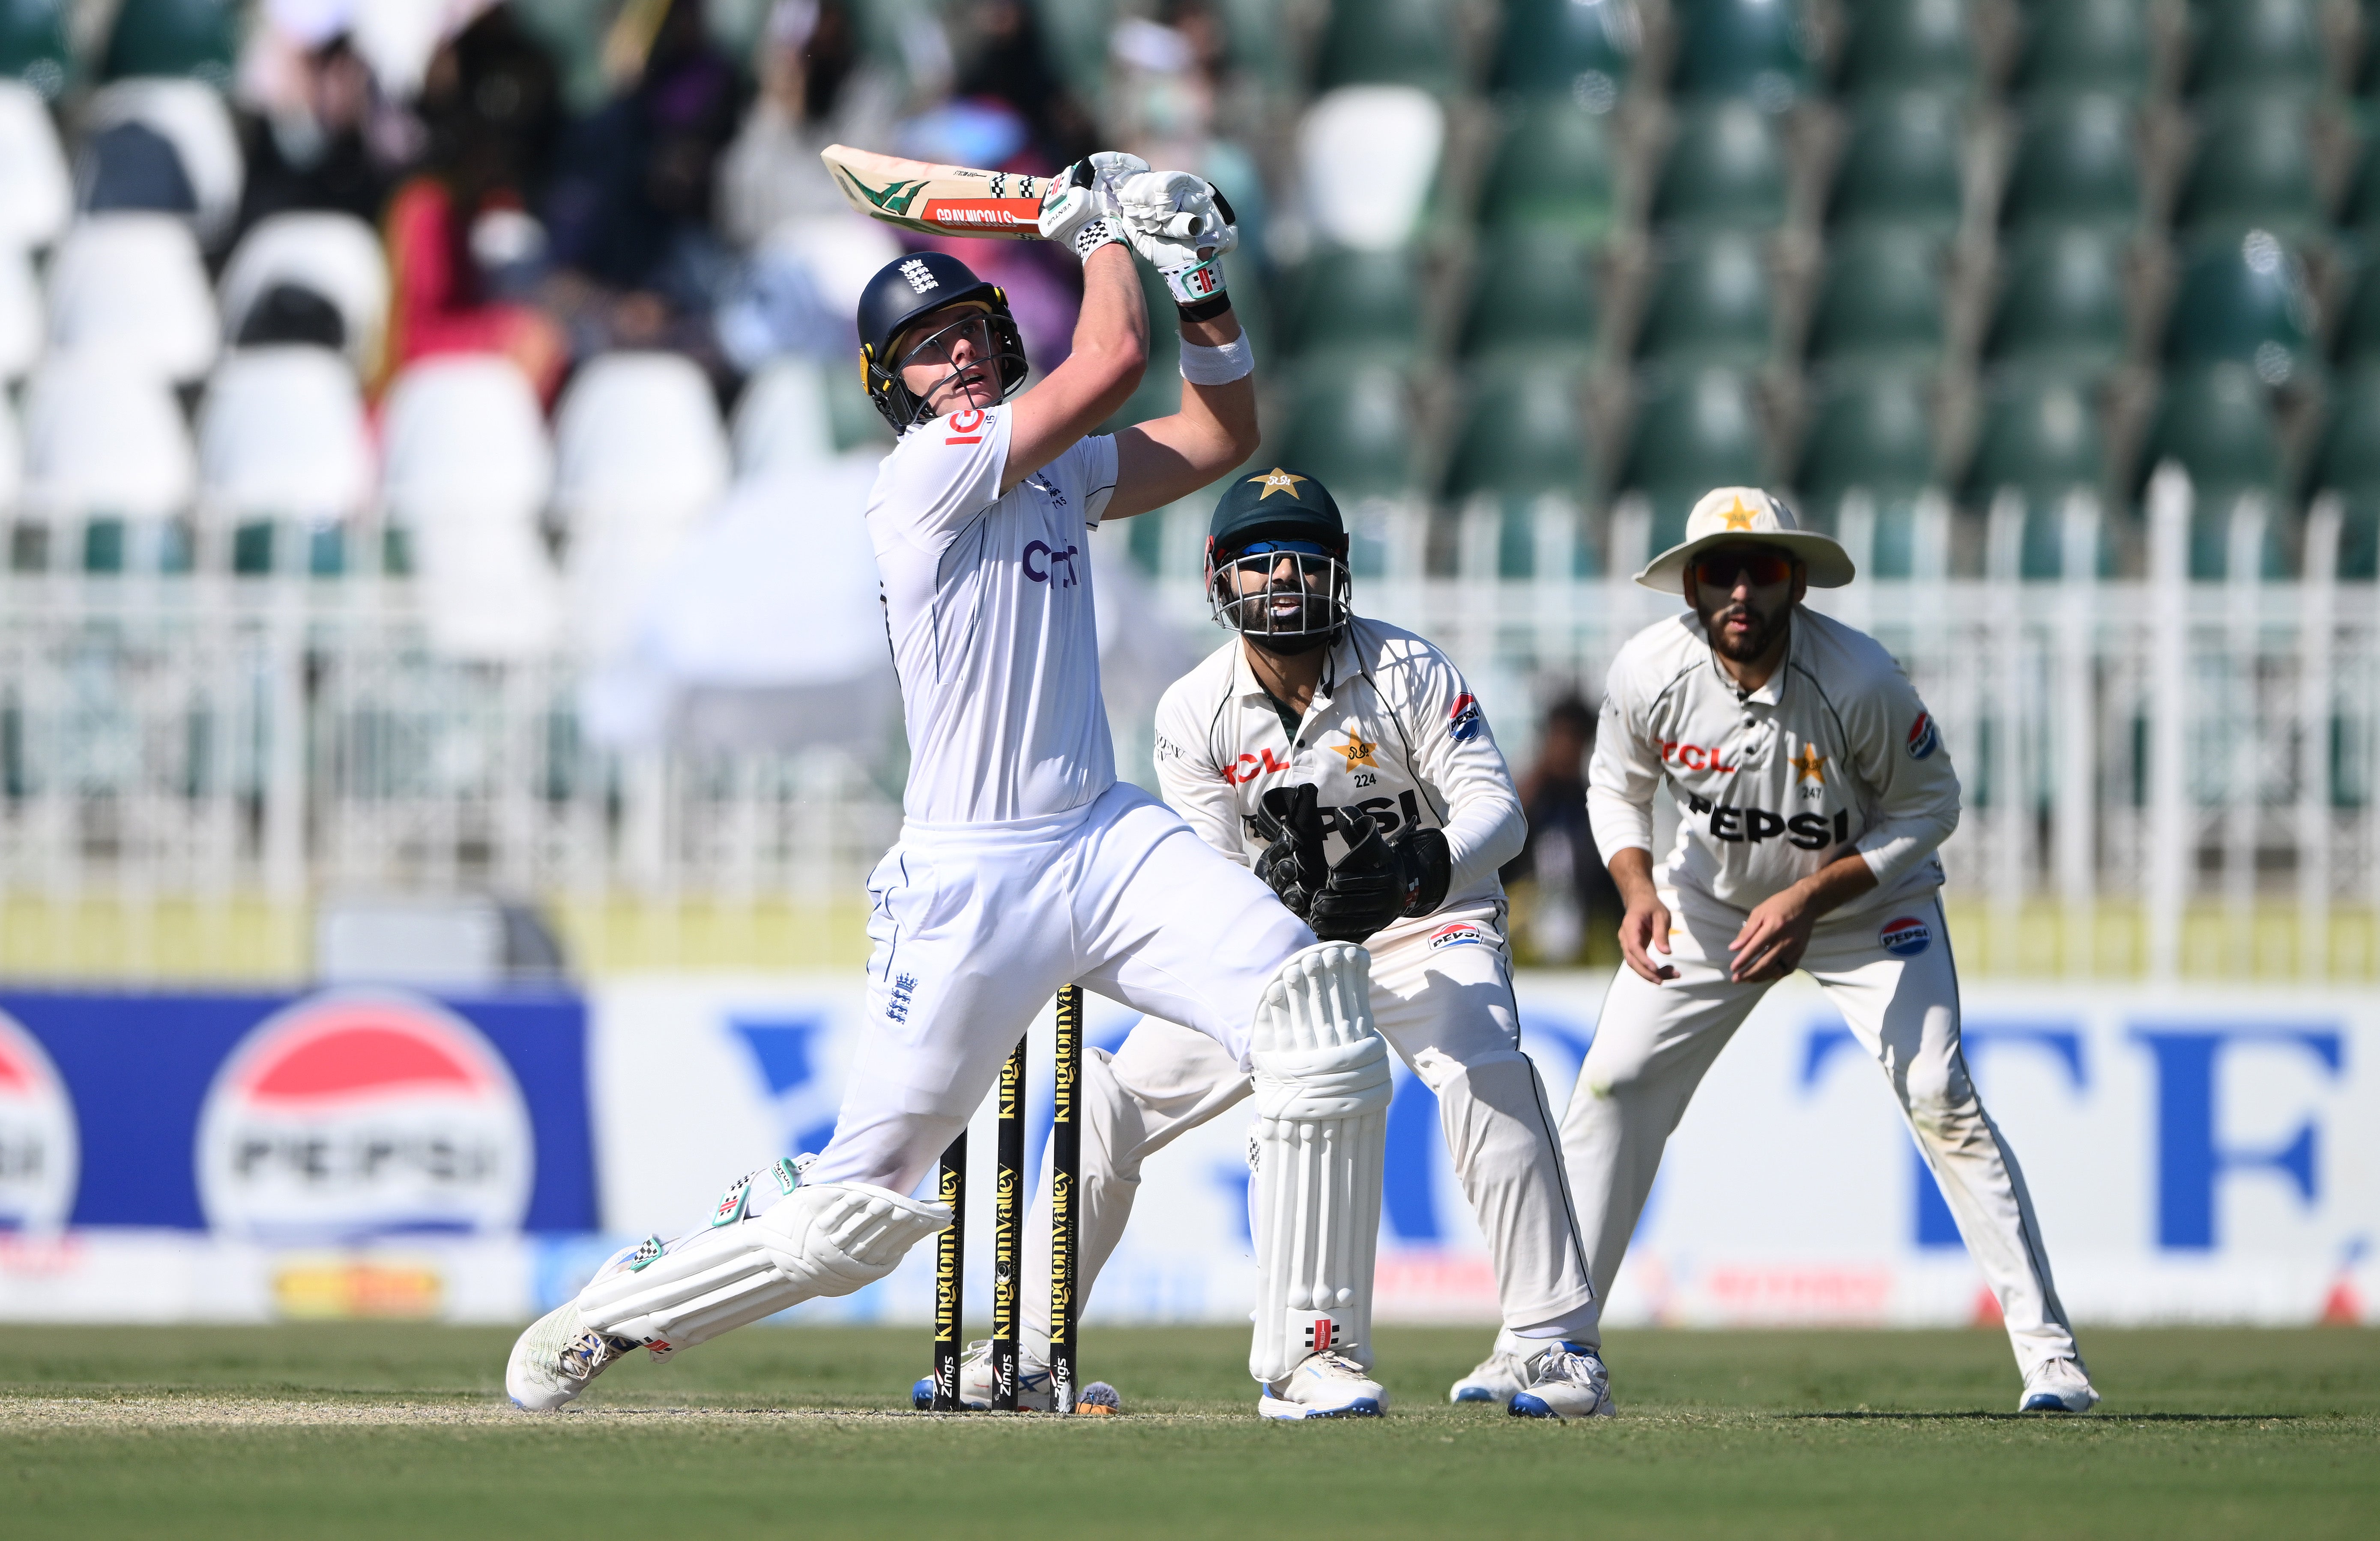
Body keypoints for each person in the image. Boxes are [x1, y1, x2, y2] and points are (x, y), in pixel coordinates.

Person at [507, 156, 1398, 1421]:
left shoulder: (1062, 475)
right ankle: (618, 1308)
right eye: (926, 351)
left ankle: (1309, 1352)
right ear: (894, 390)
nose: (959, 359)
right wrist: (1093, 230)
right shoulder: (923, 477)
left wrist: (1197, 278)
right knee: (850, 1220)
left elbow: (1221, 433)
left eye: (971, 333)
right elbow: (1101, 364)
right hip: (967, 882)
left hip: (1101, 836)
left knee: (1314, 1019)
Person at [919, 468, 1610, 1420]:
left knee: (1484, 1068)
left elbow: (1499, 812)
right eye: (1258, 562)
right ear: (1219, 579)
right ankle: (1031, 1349)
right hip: (1277, 957)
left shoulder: (1409, 670)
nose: (1282, 581)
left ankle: (1553, 1340)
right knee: (1107, 1097)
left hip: (1426, 924)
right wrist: (1266, 900)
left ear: (1341, 574)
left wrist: (1420, 864)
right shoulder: (1191, 710)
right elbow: (1203, 877)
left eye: (1302, 560)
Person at [1518, 486, 2098, 1415]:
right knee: (1614, 1083)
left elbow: (1931, 804)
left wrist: (1809, 896)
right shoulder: (1648, 672)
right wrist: (1634, 889)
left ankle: (2051, 1356)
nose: (1742, 591)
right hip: (1707, 905)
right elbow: (1615, 789)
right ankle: (1550, 1347)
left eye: (1764, 570)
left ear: (1794, 582)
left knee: (1940, 1095)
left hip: (1866, 906)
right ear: (1692, 587)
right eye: (1720, 571)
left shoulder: (1859, 678)